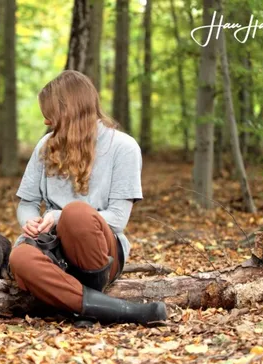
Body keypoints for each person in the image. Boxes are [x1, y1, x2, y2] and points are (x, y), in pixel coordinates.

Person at [9, 70, 167, 325]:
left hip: (101, 252)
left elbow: (116, 220)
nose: (47, 123)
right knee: (20, 258)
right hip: (54, 250)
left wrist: (60, 217)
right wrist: (29, 222)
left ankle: (76, 299)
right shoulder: (45, 146)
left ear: (70, 111)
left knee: (76, 214)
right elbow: (27, 203)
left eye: (51, 116)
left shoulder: (124, 148)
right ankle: (121, 310)